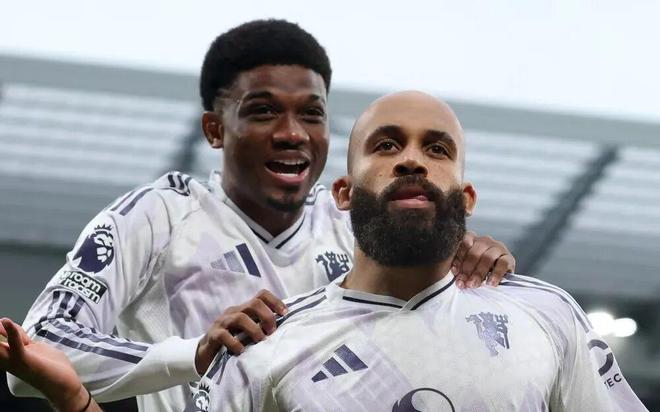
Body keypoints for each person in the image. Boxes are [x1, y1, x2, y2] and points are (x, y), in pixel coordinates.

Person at [2, 90, 646, 411]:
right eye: (387, 146)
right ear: (342, 192)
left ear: (467, 196)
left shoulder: (548, 317)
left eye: (437, 149)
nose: (413, 161)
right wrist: (76, 400)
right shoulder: (264, 349)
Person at [6, 20, 514, 411]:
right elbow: (40, 343)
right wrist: (195, 354)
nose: (293, 133)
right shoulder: (159, 216)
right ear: (215, 129)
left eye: (311, 113)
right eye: (264, 111)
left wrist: (476, 263)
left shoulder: (354, 222)